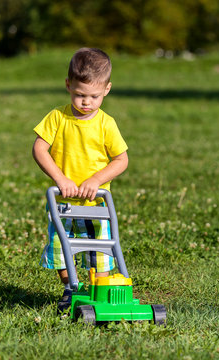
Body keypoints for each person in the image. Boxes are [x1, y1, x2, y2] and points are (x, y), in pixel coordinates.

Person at [32, 48, 128, 311]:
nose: (86, 102)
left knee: (100, 253)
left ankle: (100, 294)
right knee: (60, 249)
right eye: (79, 94)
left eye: (94, 96)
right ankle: (69, 289)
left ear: (107, 89)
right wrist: (60, 178)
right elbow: (39, 148)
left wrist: (96, 179)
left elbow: (121, 160)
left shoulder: (106, 124)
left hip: (96, 204)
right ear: (68, 86)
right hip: (63, 201)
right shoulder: (57, 118)